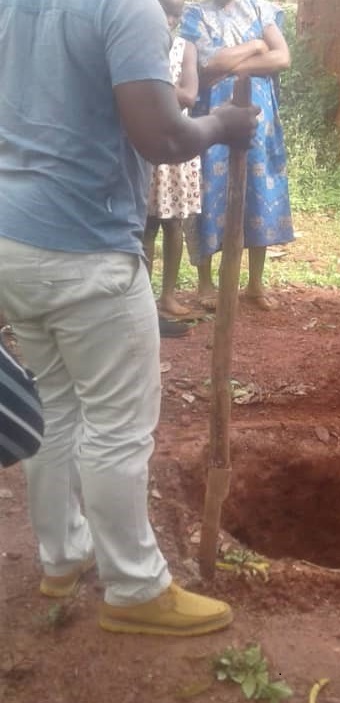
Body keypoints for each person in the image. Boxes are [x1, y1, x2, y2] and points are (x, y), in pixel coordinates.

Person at [0, 0, 259, 635]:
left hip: (14, 239)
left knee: (56, 409)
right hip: (85, 246)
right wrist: (221, 123)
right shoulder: (125, 7)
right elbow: (164, 138)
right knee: (117, 427)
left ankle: (62, 557)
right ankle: (135, 588)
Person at [180, 0, 294, 312]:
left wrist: (234, 65)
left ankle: (254, 284)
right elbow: (210, 63)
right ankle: (205, 284)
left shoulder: (260, 9)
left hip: (259, 120)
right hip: (212, 120)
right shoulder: (195, 14)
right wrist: (257, 46)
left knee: (258, 194)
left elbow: (282, 57)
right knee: (208, 195)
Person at [142, 0, 203, 336]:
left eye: (176, 14)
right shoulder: (138, 44)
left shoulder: (186, 48)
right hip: (147, 145)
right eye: (166, 11)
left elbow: (191, 96)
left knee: (175, 225)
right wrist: (168, 93)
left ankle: (168, 296)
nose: (171, 19)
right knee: (147, 227)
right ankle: (146, 299)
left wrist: (152, 91)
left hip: (177, 144)